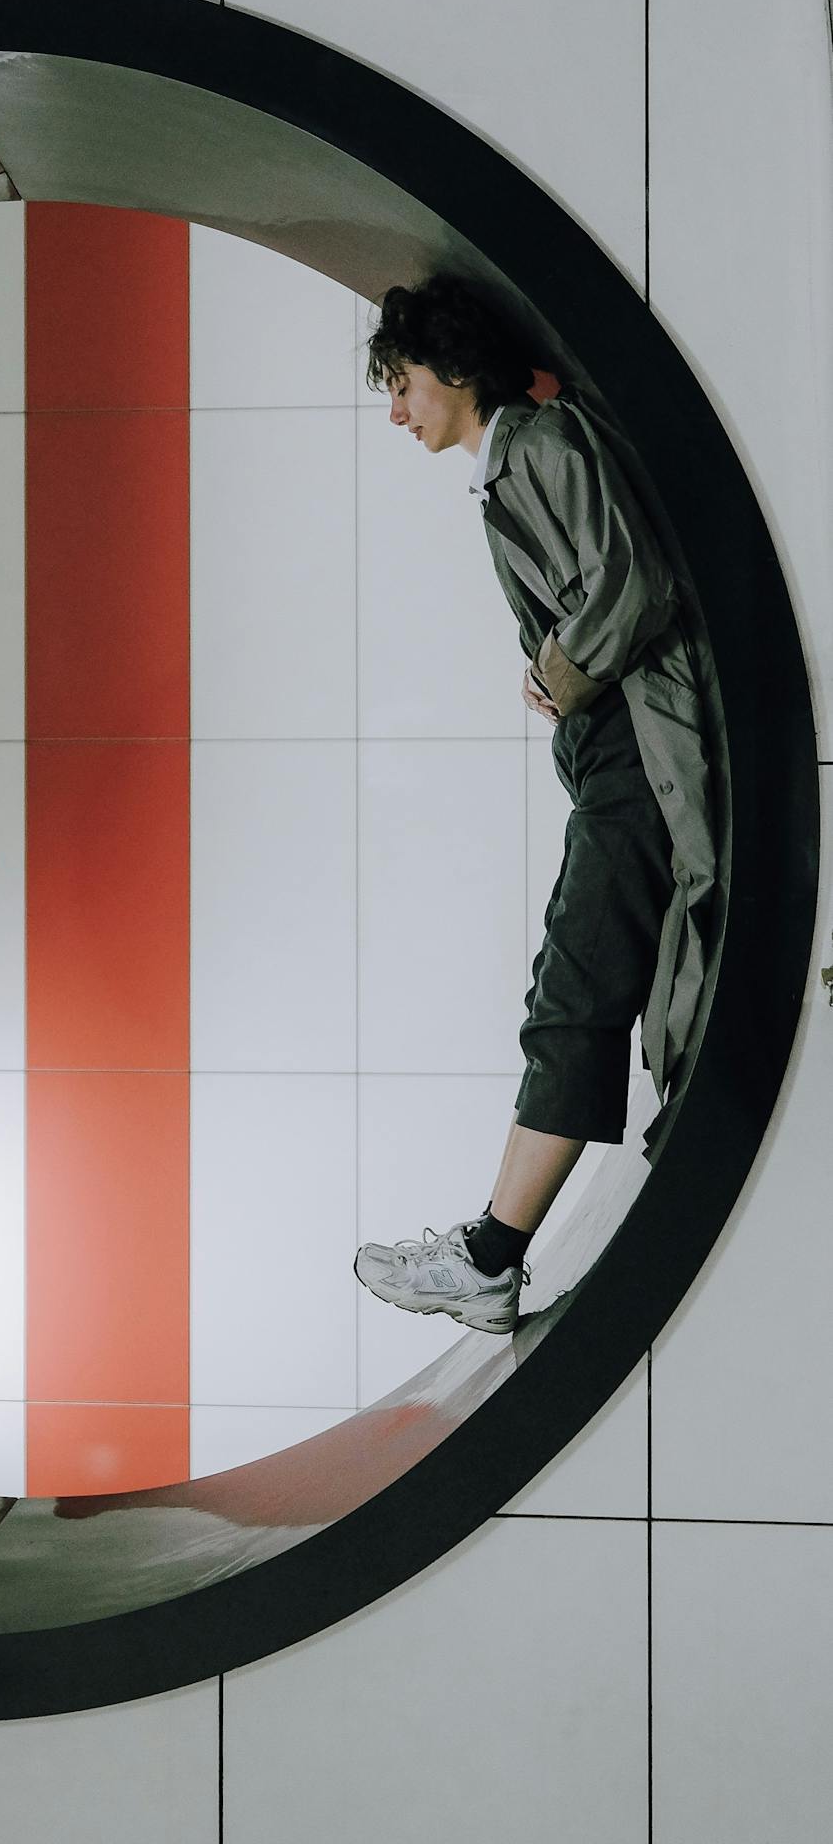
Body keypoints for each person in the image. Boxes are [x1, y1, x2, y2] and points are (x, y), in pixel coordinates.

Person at [354, 273, 716, 1335]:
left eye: (402, 382)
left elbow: (633, 584)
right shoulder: (517, 454)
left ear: (455, 371)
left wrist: (559, 671)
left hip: (632, 757)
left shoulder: (537, 443)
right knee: (585, 985)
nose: (396, 409)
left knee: (576, 988)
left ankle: (488, 1257)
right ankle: (490, 1250)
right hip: (618, 754)